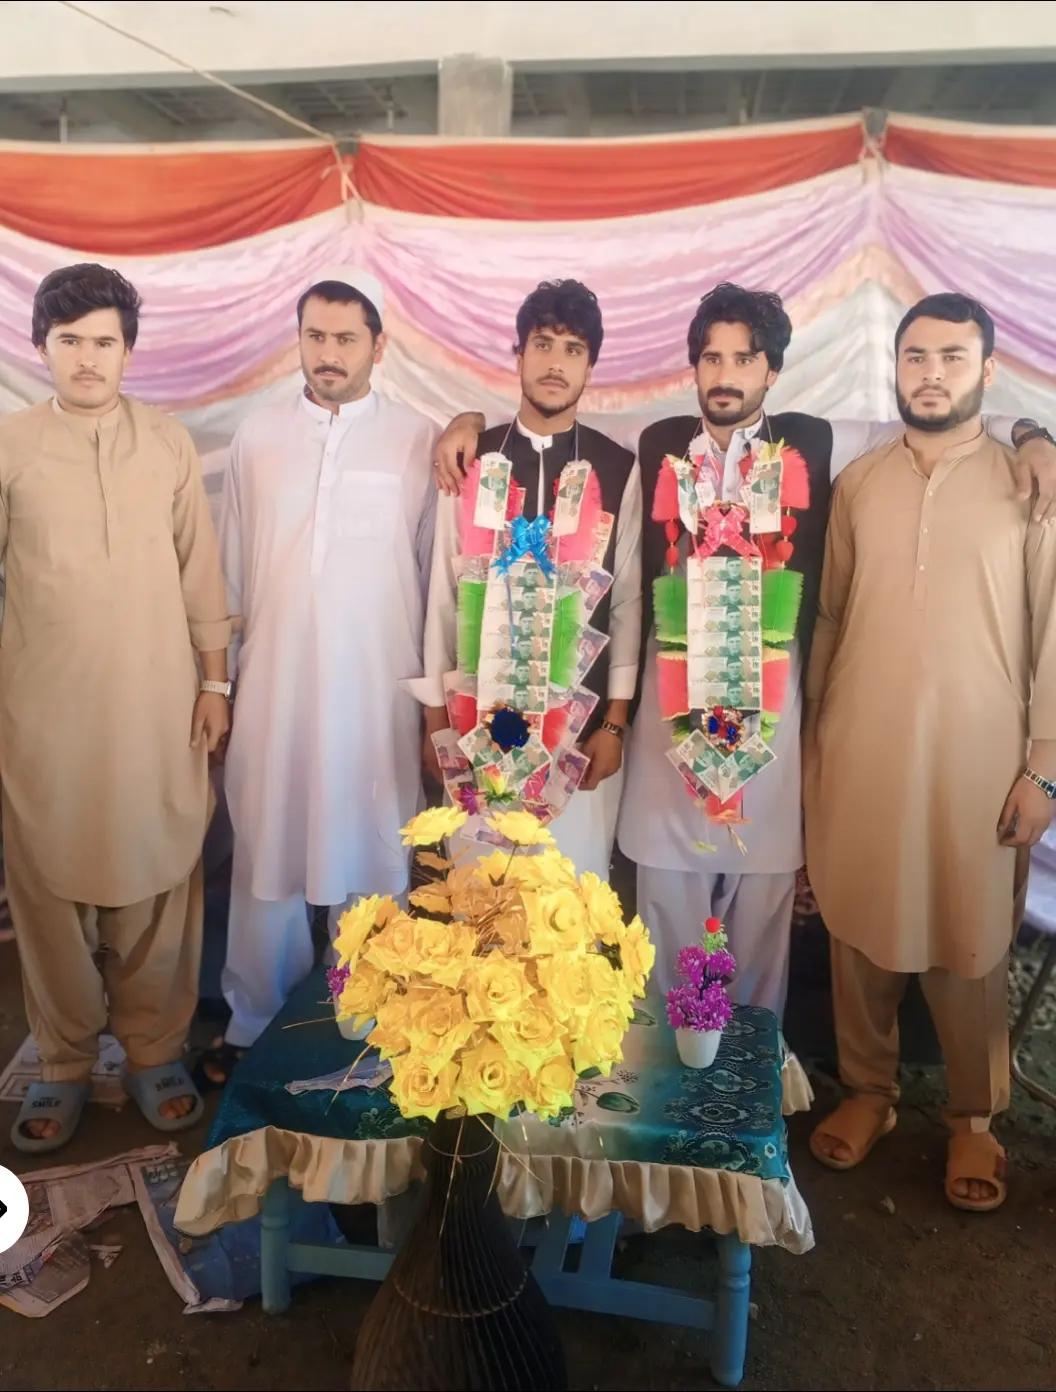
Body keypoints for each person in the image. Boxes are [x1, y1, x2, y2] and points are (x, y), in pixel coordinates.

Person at [434, 282, 1056, 1014]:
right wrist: (465, 421)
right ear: (694, 368)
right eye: (712, 358)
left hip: (772, 734)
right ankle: (662, 1066)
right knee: (660, 940)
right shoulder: (655, 442)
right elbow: (552, 411)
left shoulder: (818, 440)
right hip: (668, 737)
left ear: (773, 370)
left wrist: (1032, 434)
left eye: (745, 359)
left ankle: (755, 1067)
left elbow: (934, 415)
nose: (725, 375)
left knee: (760, 941)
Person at [804, 293, 1056, 1213]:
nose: (932, 374)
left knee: (970, 938)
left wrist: (1045, 768)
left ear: (988, 370)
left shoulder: (1031, 485)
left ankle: (973, 1118)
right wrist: (814, 740)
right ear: (896, 367)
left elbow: (1054, 633)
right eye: (916, 356)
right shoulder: (860, 482)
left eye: (952, 357)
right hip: (860, 744)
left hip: (979, 760)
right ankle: (869, 1092)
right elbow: (830, 617)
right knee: (858, 923)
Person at [1, 263, 231, 1152]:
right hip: (41, 714)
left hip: (156, 707)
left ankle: (153, 1048)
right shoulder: (13, 446)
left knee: (158, 870)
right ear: (42, 347)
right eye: (70, 342)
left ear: (129, 351)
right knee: (49, 885)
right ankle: (63, 1060)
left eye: (104, 342)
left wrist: (215, 685)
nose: (88, 359)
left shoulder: (167, 444)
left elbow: (200, 573)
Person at [202, 268, 438, 1081]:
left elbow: (434, 578)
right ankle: (252, 1023)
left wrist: (431, 707)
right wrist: (221, 685)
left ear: (378, 344)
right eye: (314, 336)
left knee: (372, 849)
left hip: (379, 691)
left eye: (345, 338)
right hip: (274, 685)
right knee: (267, 845)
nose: (328, 353)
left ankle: (369, 1016)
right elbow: (231, 571)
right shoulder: (258, 437)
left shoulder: (418, 438)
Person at [415, 280, 641, 879]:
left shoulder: (617, 468)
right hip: (472, 731)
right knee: (479, 899)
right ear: (518, 354)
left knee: (571, 903)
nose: (555, 363)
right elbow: (442, 597)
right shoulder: (471, 460)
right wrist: (435, 722)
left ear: (591, 365)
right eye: (542, 344)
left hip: (577, 737)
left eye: (573, 349)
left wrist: (614, 723)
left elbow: (627, 604)